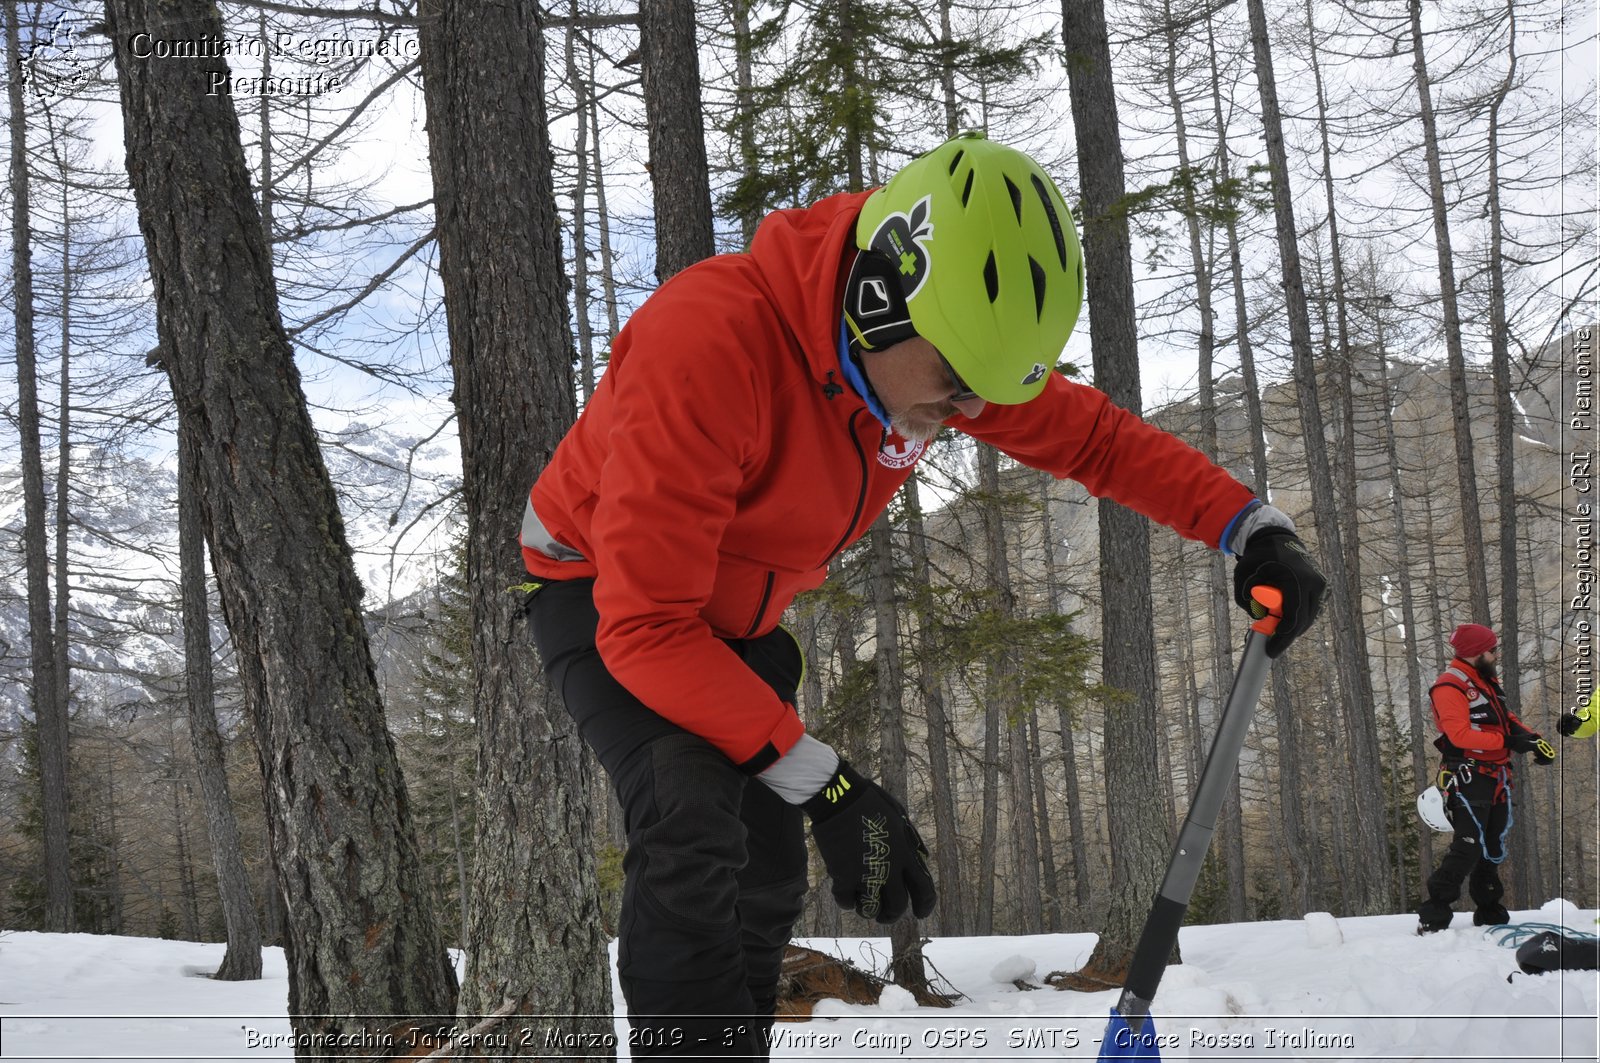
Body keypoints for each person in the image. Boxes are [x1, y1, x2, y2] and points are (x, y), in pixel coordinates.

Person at [519, 132, 1326, 1056]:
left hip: (730, 616)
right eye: (953, 387)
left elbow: (1095, 439)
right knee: (691, 823)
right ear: (875, 298)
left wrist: (1250, 526)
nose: (972, 415)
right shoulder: (708, 342)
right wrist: (829, 784)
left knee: (767, 870)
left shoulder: (926, 338)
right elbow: (648, 625)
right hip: (604, 591)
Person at [1417, 623, 1555, 933]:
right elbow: (1460, 734)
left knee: (1493, 845)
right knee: (1468, 845)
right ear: (1476, 653)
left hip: (1498, 775)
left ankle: (1489, 910)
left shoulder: (1484, 680)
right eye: (1492, 650)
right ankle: (1435, 911)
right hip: (1468, 775)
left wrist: (1532, 740)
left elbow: (1506, 719)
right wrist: (1510, 743)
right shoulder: (1449, 686)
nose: (1496, 655)